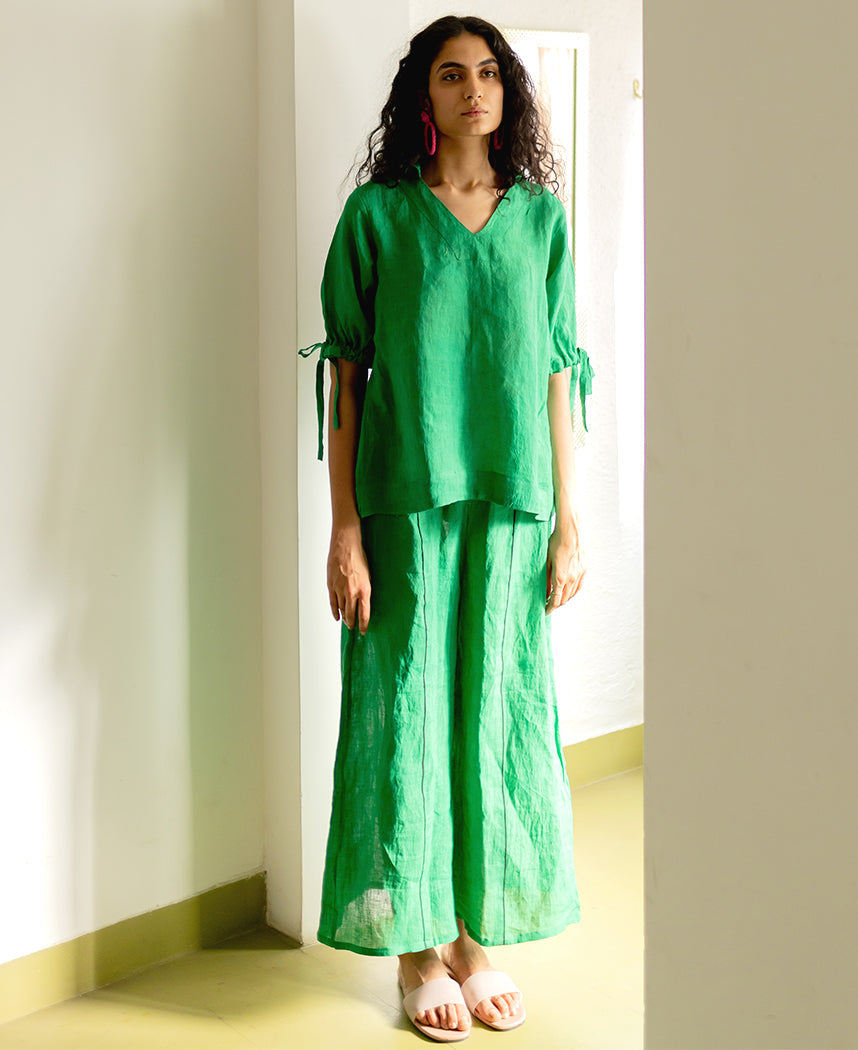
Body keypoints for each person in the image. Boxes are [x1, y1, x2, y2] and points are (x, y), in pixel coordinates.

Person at [299, 14, 593, 1043]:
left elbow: (555, 373)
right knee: (404, 715)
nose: (475, 89)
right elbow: (345, 377)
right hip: (403, 501)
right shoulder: (378, 217)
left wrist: (569, 520)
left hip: (510, 505)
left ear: (509, 93)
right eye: (451, 74)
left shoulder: (542, 221)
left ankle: (472, 939)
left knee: (495, 710)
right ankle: (417, 950)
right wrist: (344, 528)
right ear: (421, 97)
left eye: (490, 73)